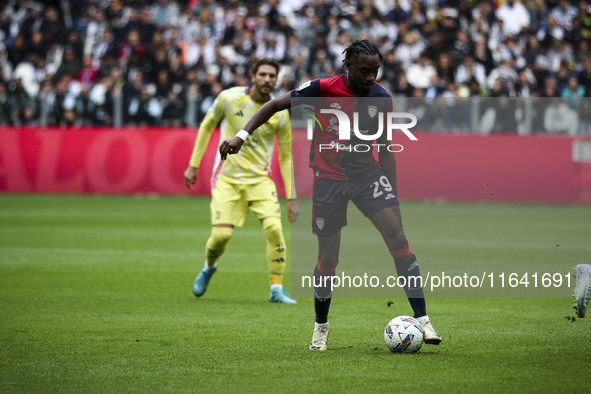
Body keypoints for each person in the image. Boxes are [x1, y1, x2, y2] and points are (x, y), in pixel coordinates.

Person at [219, 40, 442, 350]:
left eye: (375, 71)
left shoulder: (381, 98)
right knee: (327, 258)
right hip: (329, 182)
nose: (370, 77)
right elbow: (273, 106)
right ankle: (320, 327)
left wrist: (393, 194)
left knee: (399, 241)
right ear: (348, 66)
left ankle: (423, 320)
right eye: (364, 71)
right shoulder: (322, 89)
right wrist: (241, 136)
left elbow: (386, 148)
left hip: (367, 178)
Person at [184, 58, 299, 304]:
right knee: (221, 237)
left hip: (260, 180)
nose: (268, 80)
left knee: (275, 230)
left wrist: (291, 196)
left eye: (272, 76)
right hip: (228, 179)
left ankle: (276, 289)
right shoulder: (228, 98)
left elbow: (287, 157)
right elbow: (206, 127)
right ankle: (209, 267)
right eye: (263, 74)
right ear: (253, 75)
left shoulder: (279, 114)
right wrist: (193, 165)